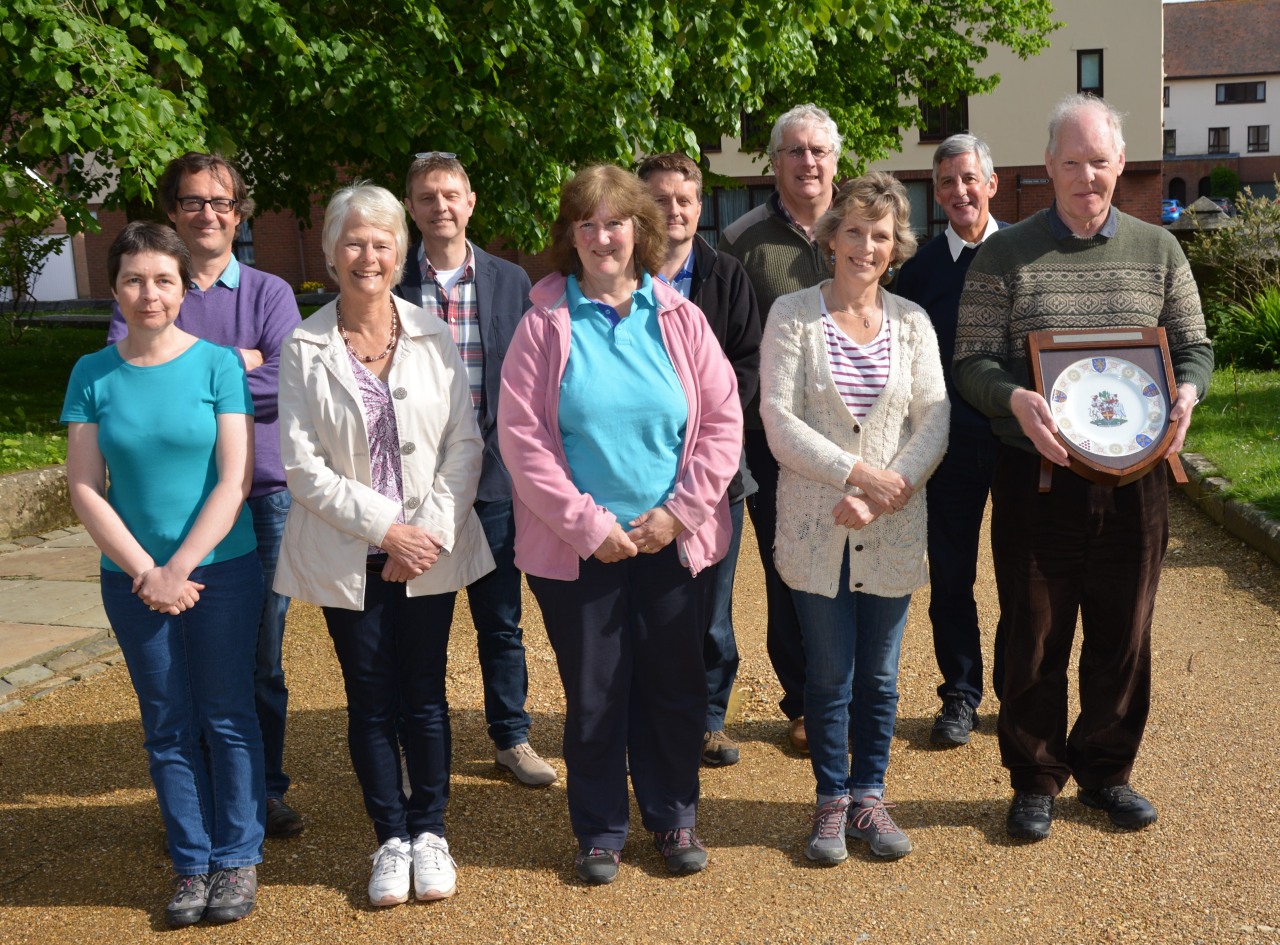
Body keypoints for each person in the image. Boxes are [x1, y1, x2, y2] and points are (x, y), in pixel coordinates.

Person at [954, 94, 1213, 841]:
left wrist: (1188, 389)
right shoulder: (1003, 256)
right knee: (1034, 632)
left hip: (1138, 483)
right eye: (1072, 162)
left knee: (1124, 628)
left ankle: (1107, 771)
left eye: (1099, 161)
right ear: (1049, 167)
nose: (1086, 175)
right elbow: (970, 361)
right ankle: (1034, 776)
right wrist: (1015, 400)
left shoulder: (1159, 250)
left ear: (1121, 164)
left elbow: (1193, 346)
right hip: (1038, 476)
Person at [498, 165, 742, 885]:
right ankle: (600, 828)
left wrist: (678, 512)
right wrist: (588, 525)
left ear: (641, 229)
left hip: (672, 538)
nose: (603, 237)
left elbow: (722, 424)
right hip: (582, 550)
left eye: (616, 222)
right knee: (597, 690)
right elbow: (521, 439)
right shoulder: (544, 323)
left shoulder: (680, 317)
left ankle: (673, 816)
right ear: (570, 236)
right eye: (588, 223)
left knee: (674, 684)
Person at [275, 183, 495, 905]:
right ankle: (390, 836)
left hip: (426, 555)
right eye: (353, 242)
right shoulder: (305, 346)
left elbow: (465, 444)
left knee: (425, 696)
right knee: (369, 700)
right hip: (352, 556)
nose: (368, 255)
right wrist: (385, 529)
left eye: (381, 242)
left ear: (399, 252)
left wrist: (422, 534)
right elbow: (302, 467)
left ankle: (430, 830)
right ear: (334, 253)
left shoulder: (432, 336)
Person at [64, 221, 264, 926]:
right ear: (114, 288)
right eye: (133, 280)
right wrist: (147, 569)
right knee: (167, 722)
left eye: (163, 279)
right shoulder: (92, 372)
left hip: (222, 570)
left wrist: (179, 566)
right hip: (132, 578)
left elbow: (235, 477)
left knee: (228, 714)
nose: (149, 293)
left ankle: (238, 856)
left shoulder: (217, 365)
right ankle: (192, 862)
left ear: (184, 288)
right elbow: (86, 485)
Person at [106, 153, 305, 837]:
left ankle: (262, 789)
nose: (208, 213)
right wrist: (227, 371)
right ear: (173, 210)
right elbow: (125, 375)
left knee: (261, 657)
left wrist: (197, 385)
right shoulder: (148, 281)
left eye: (222, 202)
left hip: (262, 496)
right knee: (177, 659)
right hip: (165, 509)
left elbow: (290, 377)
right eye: (193, 201)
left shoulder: (271, 291)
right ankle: (199, 796)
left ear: (240, 213)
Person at [760, 173, 949, 865]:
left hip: (891, 524)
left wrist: (877, 493)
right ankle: (832, 800)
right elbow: (778, 422)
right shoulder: (792, 317)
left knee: (880, 676)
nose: (866, 246)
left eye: (880, 235)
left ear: (894, 246)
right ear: (830, 237)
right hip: (817, 529)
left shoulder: (912, 323)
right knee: (830, 672)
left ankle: (871, 793)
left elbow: (934, 420)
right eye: (854, 232)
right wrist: (855, 474)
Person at [394, 152, 555, 787]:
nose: (440, 207)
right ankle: (417, 741)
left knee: (501, 620)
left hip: (493, 484)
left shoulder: (511, 280)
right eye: (427, 197)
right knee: (418, 627)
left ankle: (510, 737)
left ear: (471, 202)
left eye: (450, 195)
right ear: (411, 207)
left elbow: (530, 383)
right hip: (413, 487)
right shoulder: (391, 281)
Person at [720, 103, 841, 753]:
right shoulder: (742, 241)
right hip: (777, 441)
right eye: (795, 151)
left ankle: (847, 693)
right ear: (774, 162)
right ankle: (806, 701)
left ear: (836, 159)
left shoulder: (865, 228)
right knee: (789, 570)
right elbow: (729, 343)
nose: (809, 161)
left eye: (819, 150)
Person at [637, 152, 762, 767]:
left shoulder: (726, 275)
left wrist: (704, 424)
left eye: (685, 200)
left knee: (711, 608)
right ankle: (650, 712)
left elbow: (748, 362)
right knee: (647, 605)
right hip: (636, 474)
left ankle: (709, 718)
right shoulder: (618, 278)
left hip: (715, 473)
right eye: (660, 201)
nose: (676, 211)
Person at [893, 133, 1006, 747]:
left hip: (1019, 444)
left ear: (990, 183)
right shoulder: (920, 272)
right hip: (949, 448)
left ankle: (1017, 694)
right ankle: (960, 693)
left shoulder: (1022, 253)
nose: (959, 192)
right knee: (953, 576)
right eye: (945, 183)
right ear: (935, 194)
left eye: (969, 179)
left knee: (1024, 576)